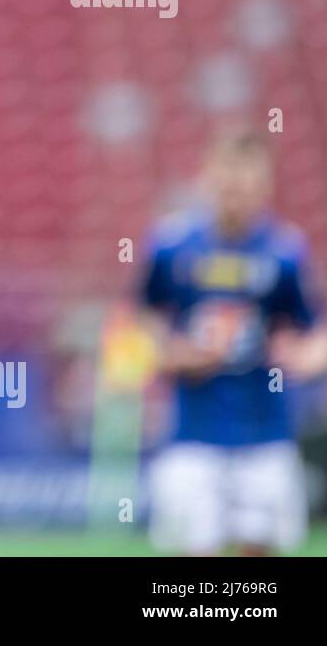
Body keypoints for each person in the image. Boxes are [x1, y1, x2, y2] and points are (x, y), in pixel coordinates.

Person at [140, 126, 327, 554]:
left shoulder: (284, 253)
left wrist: (305, 356)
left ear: (264, 187)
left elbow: (314, 330)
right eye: (226, 184)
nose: (234, 196)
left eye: (244, 187)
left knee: (257, 549)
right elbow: (138, 322)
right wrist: (171, 352)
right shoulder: (171, 247)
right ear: (207, 177)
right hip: (192, 434)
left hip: (265, 434)